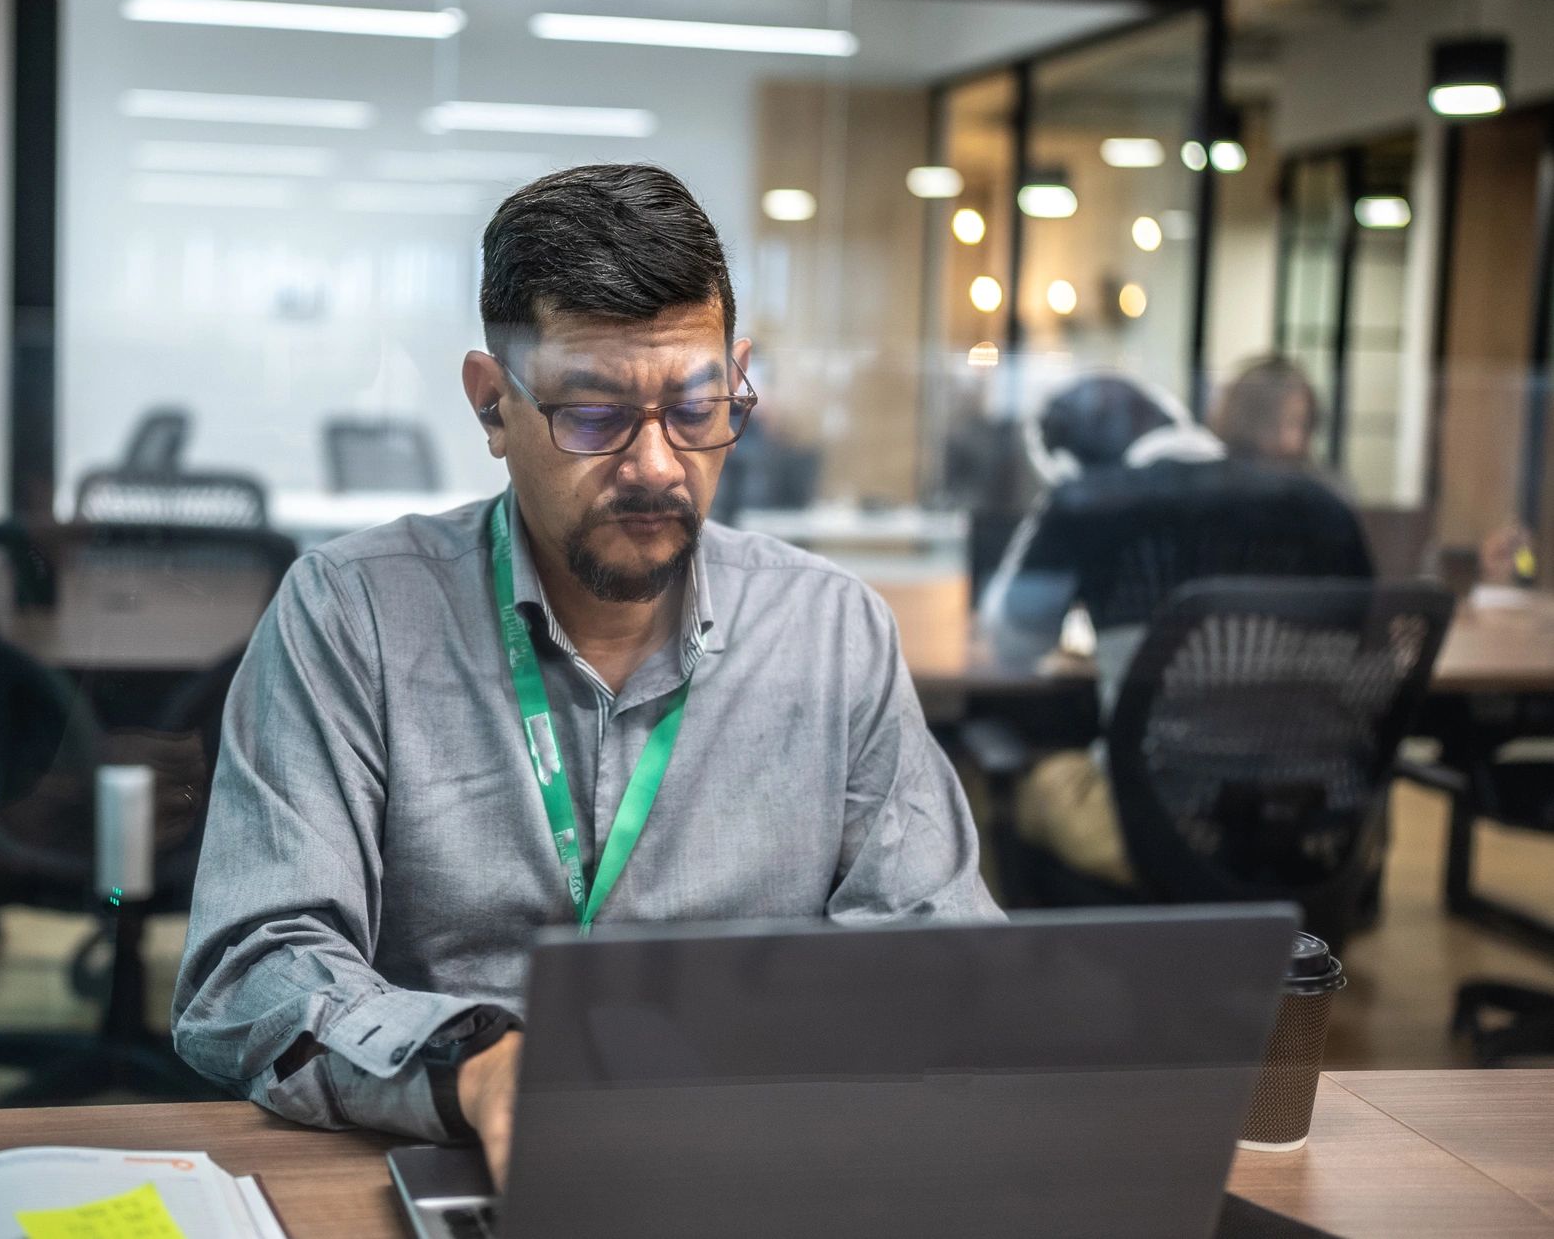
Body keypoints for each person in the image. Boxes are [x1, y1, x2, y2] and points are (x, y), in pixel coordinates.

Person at [172, 164, 1000, 1181]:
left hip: (755, 1165)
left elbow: (940, 966)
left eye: (698, 407)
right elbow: (252, 969)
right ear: (492, 405)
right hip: (459, 1156)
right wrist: (475, 1065)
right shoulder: (355, 618)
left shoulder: (832, 632)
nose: (657, 464)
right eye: (596, 415)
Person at [982, 371, 1370, 885]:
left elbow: (1011, 642)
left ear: (1071, 465)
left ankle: (989, 959)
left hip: (1158, 825)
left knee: (1000, 779)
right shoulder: (1321, 506)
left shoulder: (1091, 504)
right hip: (1310, 818)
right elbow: (1363, 643)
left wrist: (1055, 507)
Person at [1210, 354, 1320, 467]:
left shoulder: (1313, 481)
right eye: (1272, 424)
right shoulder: (1209, 480)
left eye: (1298, 424)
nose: (1288, 440)